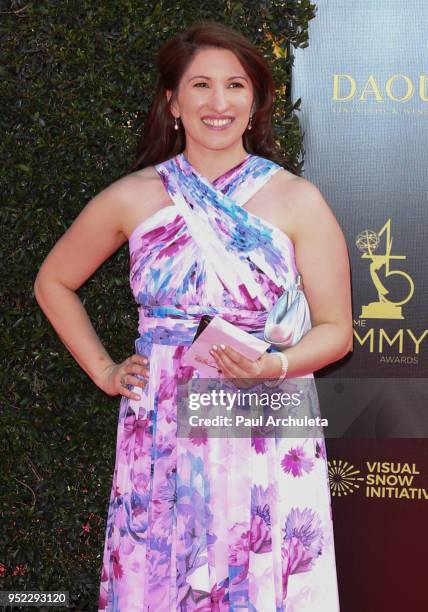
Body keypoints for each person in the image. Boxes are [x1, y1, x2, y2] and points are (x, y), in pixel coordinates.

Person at [34, 20, 352, 612]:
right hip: (160, 419)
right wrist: (105, 370)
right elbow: (53, 281)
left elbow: (337, 330)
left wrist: (272, 364)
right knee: (163, 573)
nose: (218, 102)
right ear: (172, 101)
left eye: (235, 86)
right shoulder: (132, 197)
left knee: (259, 571)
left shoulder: (296, 200)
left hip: (261, 417)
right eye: (200, 85)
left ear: (254, 103)